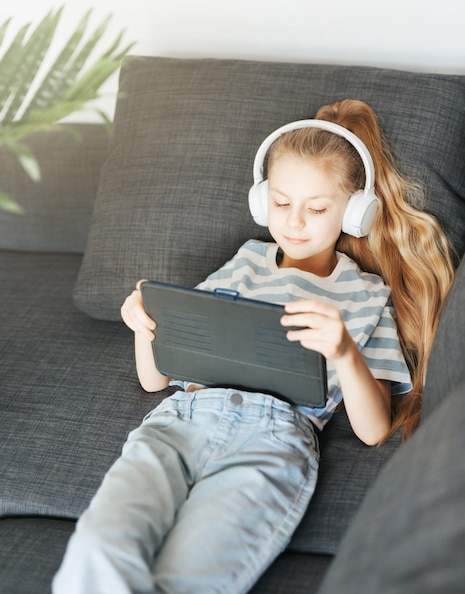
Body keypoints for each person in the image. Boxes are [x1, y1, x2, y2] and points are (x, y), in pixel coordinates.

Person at [53, 99, 454, 594]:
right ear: (262, 200)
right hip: (179, 422)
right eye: (282, 203)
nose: (294, 222)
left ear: (354, 213)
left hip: (272, 440)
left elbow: (373, 432)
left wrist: (345, 353)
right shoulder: (243, 261)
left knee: (188, 577)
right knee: (98, 548)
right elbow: (155, 379)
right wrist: (143, 325)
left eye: (318, 208)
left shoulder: (366, 296)